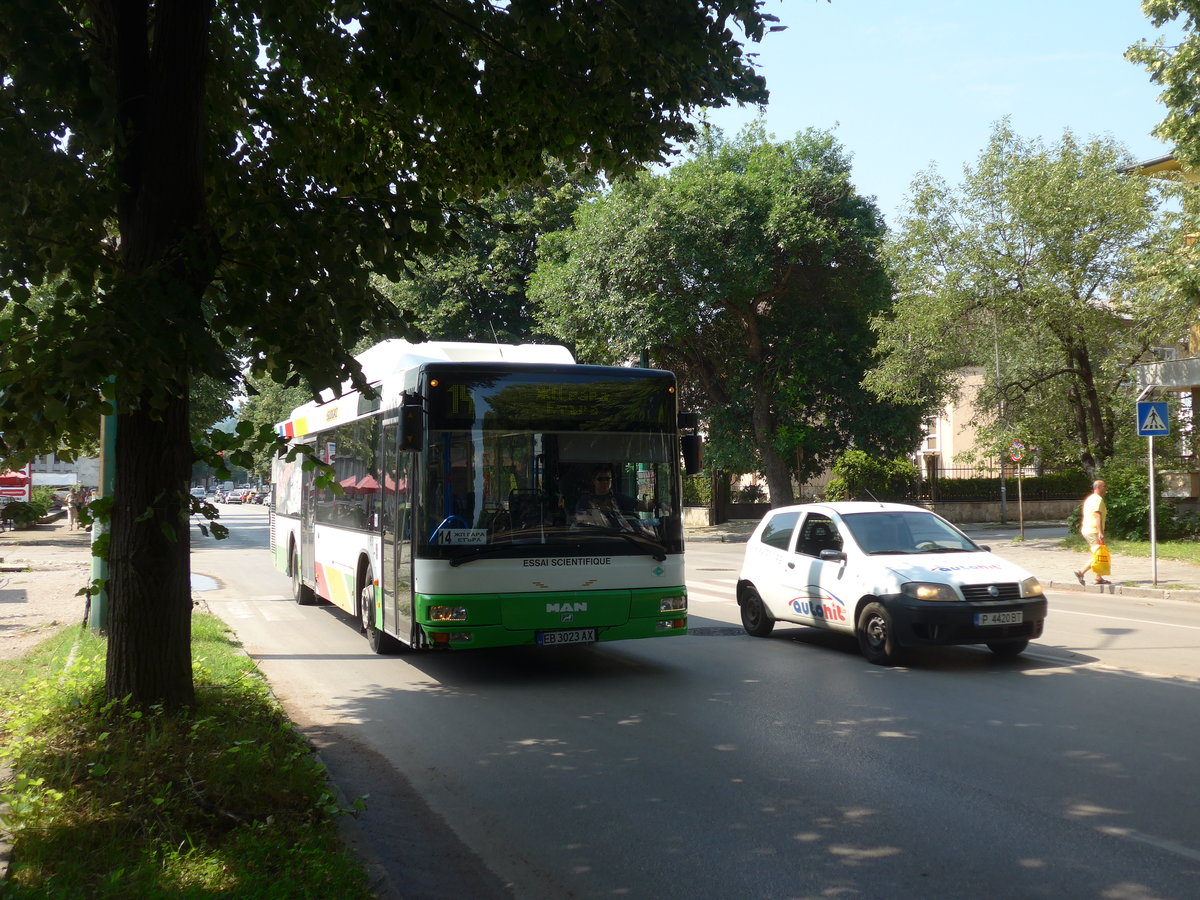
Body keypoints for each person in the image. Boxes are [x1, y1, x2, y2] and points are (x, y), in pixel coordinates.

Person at [575, 465, 638, 530]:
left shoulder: (618, 498)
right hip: (593, 536)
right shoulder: (585, 501)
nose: (604, 482)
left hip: (619, 537)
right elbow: (580, 521)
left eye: (607, 479)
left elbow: (642, 506)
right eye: (600, 479)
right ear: (593, 481)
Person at [1074, 479, 1109, 585]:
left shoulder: (1090, 498)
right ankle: (1081, 572)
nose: (1106, 488)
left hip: (1087, 529)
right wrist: (1100, 532)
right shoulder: (1097, 499)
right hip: (1093, 530)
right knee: (1098, 554)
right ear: (1098, 487)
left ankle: (1098, 578)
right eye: (1104, 486)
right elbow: (1098, 515)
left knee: (1098, 553)